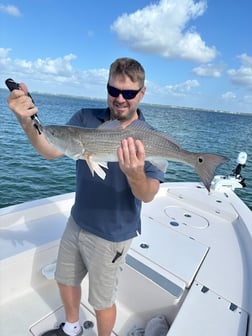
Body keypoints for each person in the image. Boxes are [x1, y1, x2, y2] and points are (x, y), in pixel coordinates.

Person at [7, 57, 164, 336]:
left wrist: (136, 174)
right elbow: (50, 149)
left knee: (102, 301)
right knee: (65, 279)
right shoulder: (84, 119)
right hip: (77, 221)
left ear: (142, 93)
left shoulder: (150, 137)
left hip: (112, 234)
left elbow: (149, 193)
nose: (119, 99)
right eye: (113, 90)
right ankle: (72, 327)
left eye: (128, 93)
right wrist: (25, 120)